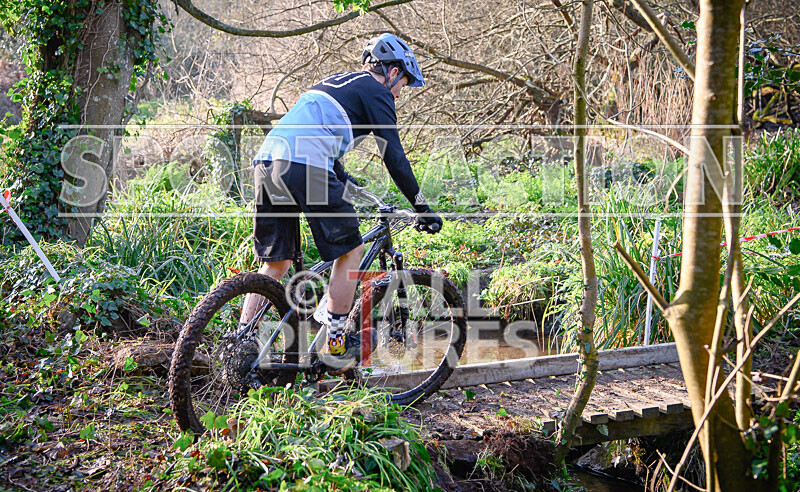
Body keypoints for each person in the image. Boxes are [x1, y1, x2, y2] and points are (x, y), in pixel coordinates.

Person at [241, 33, 443, 366]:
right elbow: (394, 156)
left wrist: (345, 179)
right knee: (351, 251)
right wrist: (422, 206)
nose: (398, 93)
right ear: (393, 71)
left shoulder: (335, 83)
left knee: (276, 262)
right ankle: (336, 345)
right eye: (403, 84)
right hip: (306, 164)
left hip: (267, 161)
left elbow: (316, 132)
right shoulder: (378, 91)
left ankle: (241, 342)